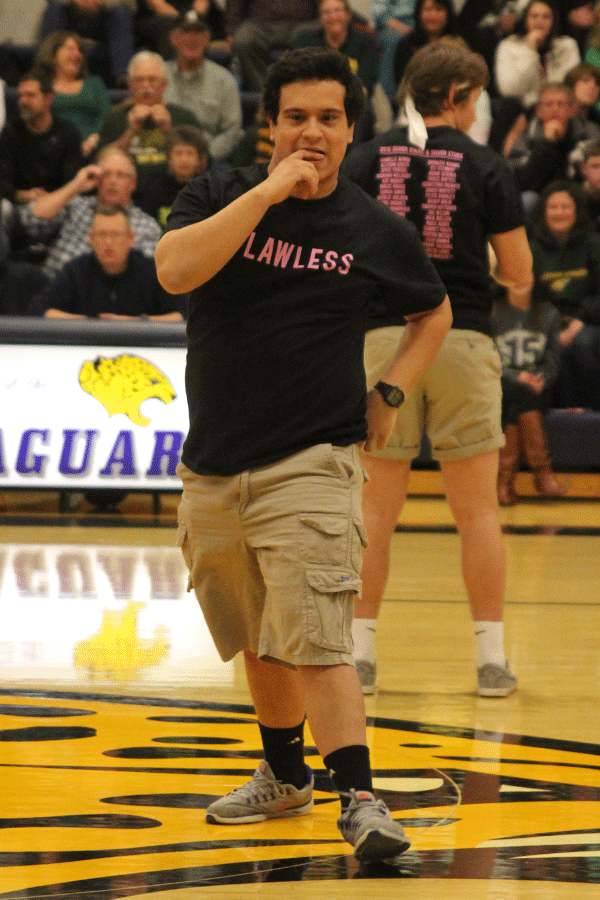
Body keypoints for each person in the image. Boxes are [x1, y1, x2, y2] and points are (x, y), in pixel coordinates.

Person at [155, 47, 452, 857]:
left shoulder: (372, 227)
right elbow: (176, 270)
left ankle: (361, 798)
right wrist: (268, 191)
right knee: (257, 633)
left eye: (327, 119)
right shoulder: (218, 191)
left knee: (319, 637)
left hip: (313, 460)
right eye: (295, 118)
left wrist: (388, 393)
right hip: (213, 463)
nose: (311, 133)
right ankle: (285, 777)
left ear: (352, 129)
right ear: (270, 125)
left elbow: (434, 313)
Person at [342, 41, 533, 697]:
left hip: (381, 341)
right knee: (477, 512)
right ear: (456, 96)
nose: (478, 109)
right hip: (461, 334)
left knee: (373, 510)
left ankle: (360, 658)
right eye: (475, 97)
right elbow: (522, 274)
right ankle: (491, 662)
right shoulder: (486, 163)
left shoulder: (365, 158)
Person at [18, 147, 162, 279]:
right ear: (97, 179)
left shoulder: (147, 226)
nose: (112, 181)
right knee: (21, 274)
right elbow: (31, 220)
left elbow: (145, 278)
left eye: (120, 175)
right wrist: (75, 186)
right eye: (106, 174)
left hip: (106, 297)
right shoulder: (76, 205)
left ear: (133, 183)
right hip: (54, 287)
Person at [30, 203, 186, 319]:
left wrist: (136, 322)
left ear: (130, 238)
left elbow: (182, 313)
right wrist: (90, 323)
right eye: (102, 235)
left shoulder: (150, 270)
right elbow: (40, 309)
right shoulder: (75, 271)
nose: (109, 242)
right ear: (91, 239)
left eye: (116, 235)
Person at [529, 179, 600, 409]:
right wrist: (553, 328)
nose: (559, 213)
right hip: (546, 324)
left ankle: (591, 413)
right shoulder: (532, 249)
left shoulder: (593, 244)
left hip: (587, 322)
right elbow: (530, 296)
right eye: (552, 207)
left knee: (581, 343)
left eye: (565, 207)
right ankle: (562, 417)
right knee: (551, 349)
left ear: (577, 211)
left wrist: (579, 321)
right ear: (543, 212)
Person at [492, 279, 565, 504]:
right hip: (501, 384)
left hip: (536, 388)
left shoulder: (549, 313)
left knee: (519, 399)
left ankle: (504, 482)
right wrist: (516, 376)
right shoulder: (493, 312)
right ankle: (543, 475)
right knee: (516, 392)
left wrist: (542, 378)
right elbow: (488, 357)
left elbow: (553, 357)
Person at [96, 50, 201, 198]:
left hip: (178, 195)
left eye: (152, 80)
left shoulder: (184, 117)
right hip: (127, 197)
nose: (146, 86)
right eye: (139, 80)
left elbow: (202, 164)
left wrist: (168, 131)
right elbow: (100, 161)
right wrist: (130, 131)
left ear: (164, 84)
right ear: (130, 84)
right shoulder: (116, 117)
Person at [506, 81, 598, 216]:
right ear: (538, 111)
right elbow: (521, 182)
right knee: (527, 200)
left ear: (572, 110)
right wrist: (547, 144)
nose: (555, 109)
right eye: (548, 105)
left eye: (561, 104)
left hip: (582, 197)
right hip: (540, 199)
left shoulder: (590, 133)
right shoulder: (526, 138)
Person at [163, 11, 242, 162]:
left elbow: (232, 131)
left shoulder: (224, 80)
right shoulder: (158, 75)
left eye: (198, 32)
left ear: (207, 39)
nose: (192, 38)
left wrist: (203, 158)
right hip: (165, 161)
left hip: (209, 162)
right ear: (173, 39)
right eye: (186, 32)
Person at [0, 67, 84, 205]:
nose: (23, 101)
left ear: (48, 99)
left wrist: (51, 199)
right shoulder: (11, 132)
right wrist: (23, 195)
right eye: (21, 95)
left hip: (60, 204)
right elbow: (3, 180)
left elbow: (73, 182)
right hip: (20, 205)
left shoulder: (68, 133)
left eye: (30, 95)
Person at [35, 30, 112, 158]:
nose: (77, 54)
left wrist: (93, 140)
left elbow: (106, 117)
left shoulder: (94, 83)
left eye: (79, 50)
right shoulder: (42, 86)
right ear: (53, 54)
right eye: (70, 49)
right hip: (54, 152)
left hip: (95, 150)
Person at [495, 0, 581, 113]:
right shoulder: (509, 46)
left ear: (553, 21)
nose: (539, 21)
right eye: (534, 16)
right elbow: (509, 91)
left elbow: (573, 88)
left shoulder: (568, 46)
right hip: (523, 111)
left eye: (546, 17)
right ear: (525, 19)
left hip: (560, 110)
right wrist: (530, 52)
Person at [40, 0, 136, 88]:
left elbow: (132, 4)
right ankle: (47, 74)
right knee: (55, 10)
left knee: (120, 13)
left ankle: (123, 78)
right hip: (71, 14)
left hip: (105, 16)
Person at [226, 1, 319, 91]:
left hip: (302, 24)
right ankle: (264, 96)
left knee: (313, 35)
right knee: (242, 40)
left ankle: (304, 92)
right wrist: (231, 30)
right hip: (260, 24)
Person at [294, 0, 379, 97]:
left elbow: (364, 86)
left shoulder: (366, 43)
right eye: (326, 12)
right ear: (320, 18)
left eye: (337, 11)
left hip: (354, 102)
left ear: (348, 15)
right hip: (314, 100)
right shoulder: (305, 41)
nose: (333, 17)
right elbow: (300, 81)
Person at [140, 124, 210, 227]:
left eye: (189, 153)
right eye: (178, 153)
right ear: (169, 158)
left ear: (199, 159)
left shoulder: (208, 190)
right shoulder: (156, 189)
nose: (184, 159)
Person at [393, 0, 457, 89]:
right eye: (428, 10)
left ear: (448, 13)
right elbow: (402, 81)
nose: (433, 15)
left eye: (439, 9)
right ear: (419, 13)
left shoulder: (457, 43)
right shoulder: (408, 44)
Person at [135, 0, 227, 60]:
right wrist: (183, 23)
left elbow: (201, 3)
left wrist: (193, 19)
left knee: (198, 26)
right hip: (157, 19)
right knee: (171, 27)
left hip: (191, 16)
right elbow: (158, 6)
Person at [372, 0, 417, 99]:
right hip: (392, 26)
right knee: (393, 41)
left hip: (421, 22)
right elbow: (381, 14)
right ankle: (390, 97)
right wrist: (407, 31)